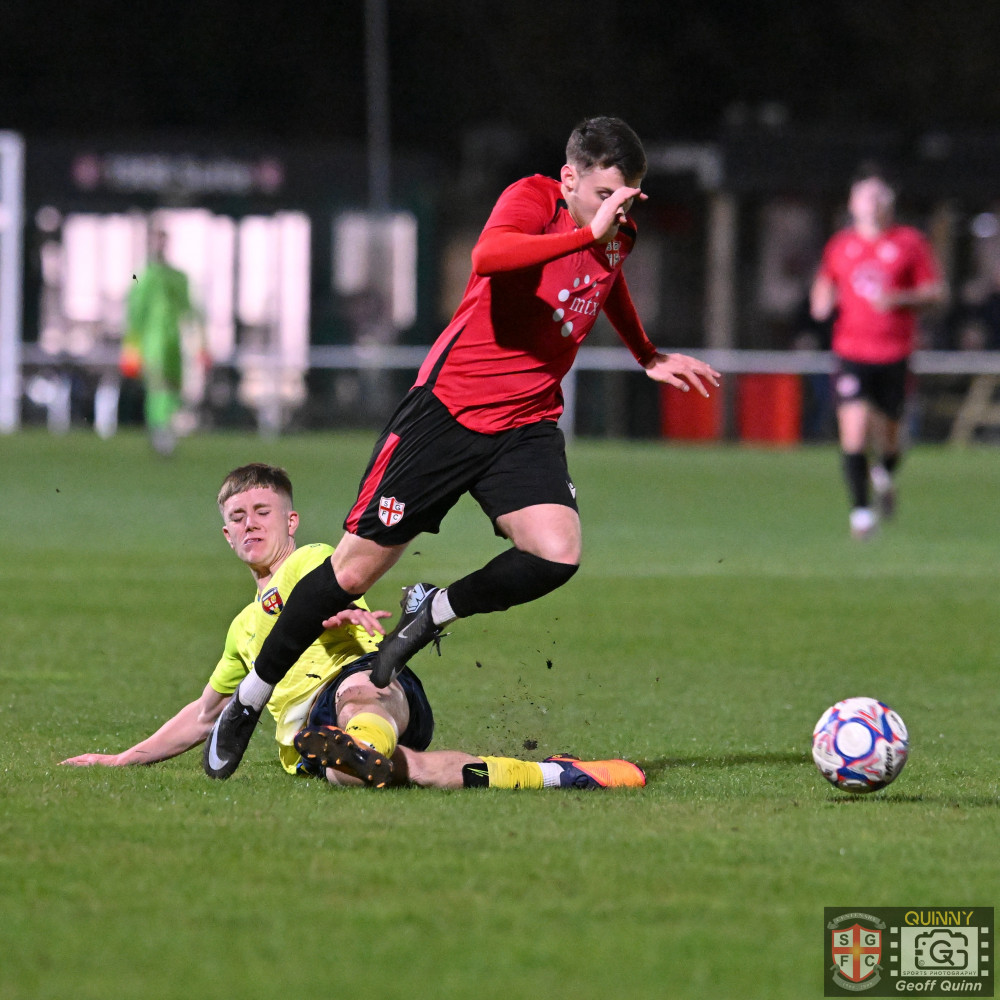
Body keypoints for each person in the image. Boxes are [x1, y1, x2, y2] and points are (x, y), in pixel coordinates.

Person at [205, 116, 720, 780]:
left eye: (628, 197)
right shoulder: (534, 199)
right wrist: (582, 234)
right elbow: (490, 257)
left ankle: (432, 612)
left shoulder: (612, 228)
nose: (616, 209)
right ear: (570, 178)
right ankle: (248, 701)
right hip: (447, 413)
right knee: (353, 573)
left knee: (557, 552)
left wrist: (646, 354)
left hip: (525, 421)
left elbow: (606, 280)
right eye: (604, 194)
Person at [60, 464, 646, 792]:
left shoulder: (311, 562)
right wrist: (121, 760)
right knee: (392, 774)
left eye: (263, 512)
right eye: (237, 518)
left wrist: (345, 609)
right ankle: (562, 775)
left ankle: (361, 740)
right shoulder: (241, 629)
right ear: (226, 536)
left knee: (356, 691)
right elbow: (207, 714)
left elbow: (338, 587)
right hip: (320, 745)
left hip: (372, 680)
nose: (251, 524)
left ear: (289, 520)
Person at [810, 166, 945, 539]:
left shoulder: (909, 242)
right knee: (852, 432)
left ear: (890, 202)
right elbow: (825, 284)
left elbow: (936, 292)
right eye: (865, 195)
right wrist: (820, 301)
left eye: (879, 195)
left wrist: (899, 299)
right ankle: (861, 514)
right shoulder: (840, 245)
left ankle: (884, 473)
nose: (873, 202)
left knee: (890, 437)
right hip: (851, 352)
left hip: (895, 353)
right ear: (853, 204)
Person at [121, 228, 202, 455]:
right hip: (153, 341)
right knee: (158, 385)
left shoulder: (179, 277)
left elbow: (190, 310)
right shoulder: (143, 276)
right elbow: (134, 314)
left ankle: (166, 426)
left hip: (175, 341)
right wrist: (132, 347)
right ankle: (160, 430)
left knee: (174, 385)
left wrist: (199, 342)